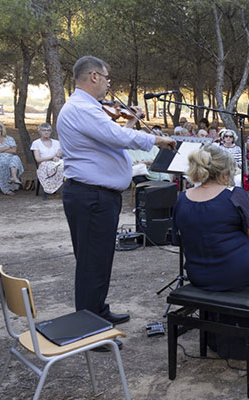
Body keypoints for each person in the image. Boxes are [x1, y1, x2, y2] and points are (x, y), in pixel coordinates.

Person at [57, 55, 176, 326]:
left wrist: (131, 122)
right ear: (94, 76)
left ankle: (98, 310)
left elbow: (111, 140)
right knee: (91, 263)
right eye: (107, 77)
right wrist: (157, 139)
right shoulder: (80, 108)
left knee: (99, 260)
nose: (109, 84)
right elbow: (117, 138)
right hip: (91, 196)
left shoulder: (90, 108)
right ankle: (89, 326)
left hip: (97, 195)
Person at [172, 144, 249, 358]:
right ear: (225, 172)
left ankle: (219, 339)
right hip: (238, 274)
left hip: (200, 274)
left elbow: (179, 237)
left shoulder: (182, 198)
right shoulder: (235, 195)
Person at [0, 120, 23, 195]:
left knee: (15, 158)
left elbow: (14, 150)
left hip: (10, 157)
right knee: (3, 162)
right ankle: (5, 189)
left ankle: (13, 177)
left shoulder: (9, 138)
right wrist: (7, 147)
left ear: (1, 128)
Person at [31, 123, 66, 194]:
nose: (46, 132)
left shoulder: (56, 142)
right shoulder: (36, 143)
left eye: (48, 130)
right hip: (44, 164)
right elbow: (38, 159)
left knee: (67, 166)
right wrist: (51, 157)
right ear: (40, 132)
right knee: (60, 168)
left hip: (57, 162)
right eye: (44, 130)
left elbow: (60, 154)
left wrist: (59, 155)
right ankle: (52, 187)